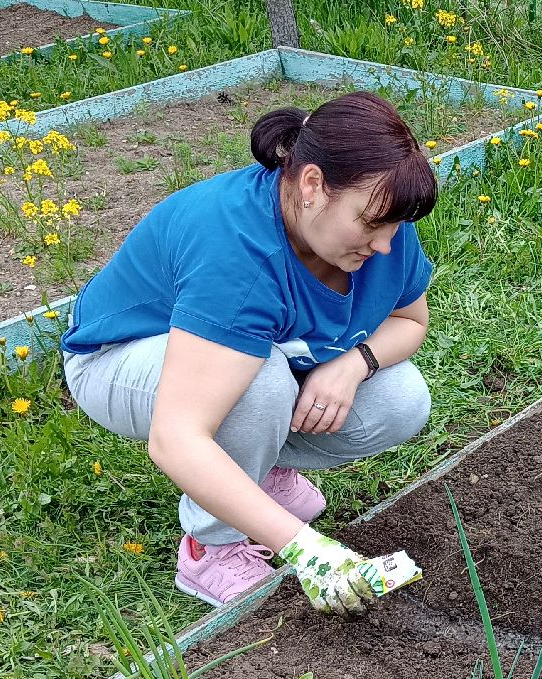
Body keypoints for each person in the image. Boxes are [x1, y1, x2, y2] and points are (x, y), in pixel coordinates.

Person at [60, 91, 437, 615]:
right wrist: (309, 551)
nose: (385, 246)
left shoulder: (382, 222)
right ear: (312, 185)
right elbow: (176, 438)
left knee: (400, 396)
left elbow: (408, 321)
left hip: (256, 360)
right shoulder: (236, 250)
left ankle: (255, 474)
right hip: (119, 360)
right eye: (371, 225)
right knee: (261, 383)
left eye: (394, 226)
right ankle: (209, 547)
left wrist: (355, 365)